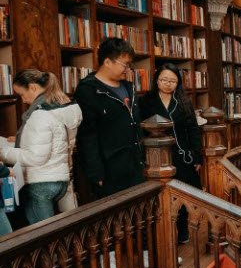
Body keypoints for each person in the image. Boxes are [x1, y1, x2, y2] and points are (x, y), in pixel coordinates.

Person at [0, 70, 82, 225]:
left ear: (32, 87)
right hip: (61, 177)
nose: (23, 100)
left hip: (41, 182)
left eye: (22, 94)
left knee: (43, 234)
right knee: (60, 229)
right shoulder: (63, 108)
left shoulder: (40, 114)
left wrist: (3, 152)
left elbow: (35, 157)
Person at [139, 64, 203, 244]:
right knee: (160, 196)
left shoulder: (183, 101)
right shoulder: (145, 101)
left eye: (172, 81)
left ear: (178, 83)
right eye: (164, 80)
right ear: (157, 80)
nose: (168, 84)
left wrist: (196, 156)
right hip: (156, 157)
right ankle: (163, 234)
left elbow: (193, 130)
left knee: (183, 194)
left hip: (183, 156)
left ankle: (182, 230)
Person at [75, 37, 144, 198]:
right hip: (109, 169)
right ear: (107, 62)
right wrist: (95, 172)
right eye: (124, 64)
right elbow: (87, 135)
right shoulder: (88, 90)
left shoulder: (129, 87)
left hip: (135, 164)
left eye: (129, 65)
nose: (128, 69)